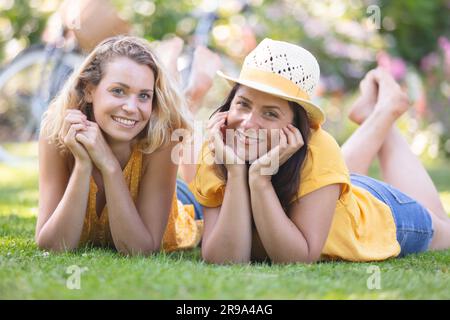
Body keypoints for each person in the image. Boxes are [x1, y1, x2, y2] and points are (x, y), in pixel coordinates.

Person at [190, 38, 450, 264]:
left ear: (295, 125)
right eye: (243, 104)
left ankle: (386, 114)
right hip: (327, 191)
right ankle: (381, 115)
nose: (247, 122)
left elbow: (296, 259)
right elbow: (225, 259)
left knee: (445, 231)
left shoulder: (319, 148)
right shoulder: (218, 147)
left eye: (270, 113)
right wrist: (236, 173)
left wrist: (260, 180)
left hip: (381, 217)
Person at [35, 35, 206, 255]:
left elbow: (140, 249)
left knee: (200, 185)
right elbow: (53, 245)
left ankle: (194, 92)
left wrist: (109, 165)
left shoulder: (162, 139)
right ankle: (176, 73)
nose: (131, 107)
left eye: (144, 95)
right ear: (89, 90)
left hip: (181, 200)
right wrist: (83, 164)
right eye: (118, 91)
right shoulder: (57, 133)